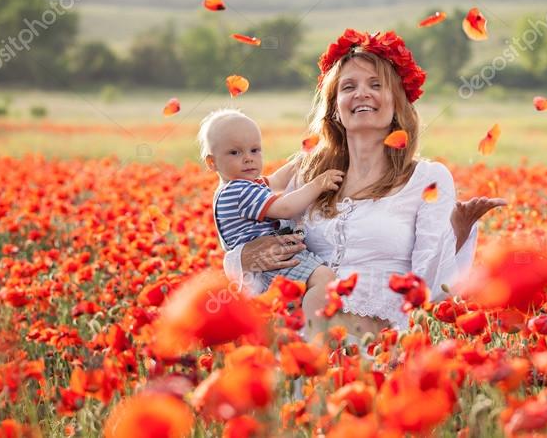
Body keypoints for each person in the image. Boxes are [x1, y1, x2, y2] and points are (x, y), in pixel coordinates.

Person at [223, 29, 505, 335]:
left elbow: (430, 288)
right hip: (305, 334)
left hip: (379, 345)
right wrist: (241, 259)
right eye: (348, 87)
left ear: (398, 103)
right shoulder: (307, 173)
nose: (362, 94)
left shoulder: (428, 179)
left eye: (376, 84)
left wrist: (455, 236)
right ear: (335, 108)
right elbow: (247, 224)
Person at [199, 108, 342, 324]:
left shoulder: (243, 186)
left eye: (254, 150)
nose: (248, 159)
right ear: (212, 162)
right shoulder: (238, 191)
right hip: (272, 265)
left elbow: (276, 181)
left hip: (267, 265)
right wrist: (317, 184)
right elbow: (284, 209)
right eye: (235, 153)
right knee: (324, 278)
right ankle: (315, 331)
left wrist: (304, 159)